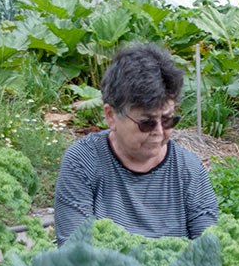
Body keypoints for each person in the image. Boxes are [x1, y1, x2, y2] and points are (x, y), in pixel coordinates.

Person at [53, 44, 219, 244]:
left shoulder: (188, 168)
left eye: (168, 120)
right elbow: (75, 252)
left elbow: (209, 249)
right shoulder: (83, 162)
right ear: (111, 116)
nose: (158, 132)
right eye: (146, 123)